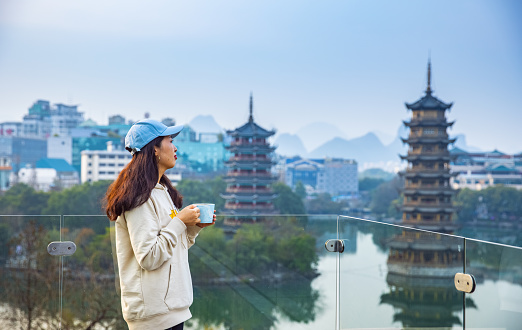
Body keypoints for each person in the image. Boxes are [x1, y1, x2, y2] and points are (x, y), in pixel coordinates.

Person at [105, 119, 215, 330]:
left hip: (171, 310)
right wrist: (180, 221)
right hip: (154, 316)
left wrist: (192, 227)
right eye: (170, 140)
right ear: (154, 149)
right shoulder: (138, 197)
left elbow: (170, 248)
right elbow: (149, 257)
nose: (175, 147)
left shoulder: (161, 192)